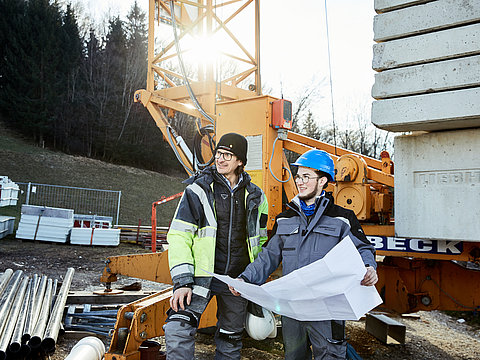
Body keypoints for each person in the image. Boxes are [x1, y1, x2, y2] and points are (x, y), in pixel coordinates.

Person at [230, 149, 378, 360]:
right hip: (294, 307)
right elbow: (268, 257)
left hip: (328, 308)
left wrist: (368, 267)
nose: (300, 181)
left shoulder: (342, 218)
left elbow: (363, 248)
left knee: (331, 356)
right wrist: (245, 279)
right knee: (294, 356)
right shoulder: (285, 219)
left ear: (323, 180)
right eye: (298, 176)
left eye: (306, 176)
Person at [164, 132, 269, 360]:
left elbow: (260, 241)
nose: (220, 159)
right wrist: (182, 282)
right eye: (219, 153)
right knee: (177, 329)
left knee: (230, 342)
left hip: (236, 281)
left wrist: (251, 279)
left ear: (240, 161)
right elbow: (179, 236)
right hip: (202, 277)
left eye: (228, 155)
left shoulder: (256, 196)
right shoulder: (198, 190)